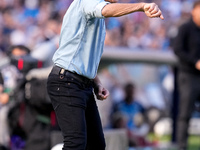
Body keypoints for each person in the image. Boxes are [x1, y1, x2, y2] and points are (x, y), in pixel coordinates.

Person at [46, 0, 164, 149]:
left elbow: (81, 57)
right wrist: (140, 6)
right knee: (75, 144)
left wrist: (97, 81)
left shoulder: (97, 19)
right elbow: (106, 10)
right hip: (66, 81)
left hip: (81, 83)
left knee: (96, 145)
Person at [173, 1, 200, 150]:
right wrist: (195, 62)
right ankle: (181, 146)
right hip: (188, 76)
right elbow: (177, 50)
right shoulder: (185, 28)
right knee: (185, 114)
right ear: (194, 11)